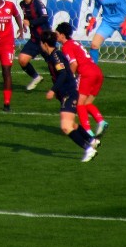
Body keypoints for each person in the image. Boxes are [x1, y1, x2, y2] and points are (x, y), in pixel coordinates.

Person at [40, 32, 102, 163]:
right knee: (72, 124)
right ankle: (92, 140)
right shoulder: (54, 55)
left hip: (69, 93)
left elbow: (62, 74)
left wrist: (53, 90)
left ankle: (88, 149)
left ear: (45, 44)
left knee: (65, 127)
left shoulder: (55, 56)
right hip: (67, 93)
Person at [55, 22, 108, 138]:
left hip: (86, 74)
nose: (56, 36)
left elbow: (74, 64)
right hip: (97, 72)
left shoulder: (66, 46)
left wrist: (69, 79)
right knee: (87, 103)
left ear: (63, 35)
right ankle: (101, 121)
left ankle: (87, 131)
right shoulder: (75, 43)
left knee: (79, 103)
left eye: (57, 34)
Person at [17, 0, 51, 91]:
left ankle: (70, 81)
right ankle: (36, 77)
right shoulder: (22, 4)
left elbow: (45, 17)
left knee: (54, 65)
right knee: (22, 59)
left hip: (45, 39)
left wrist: (31, 23)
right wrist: (23, 27)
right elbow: (27, 17)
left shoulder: (37, 3)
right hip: (34, 39)